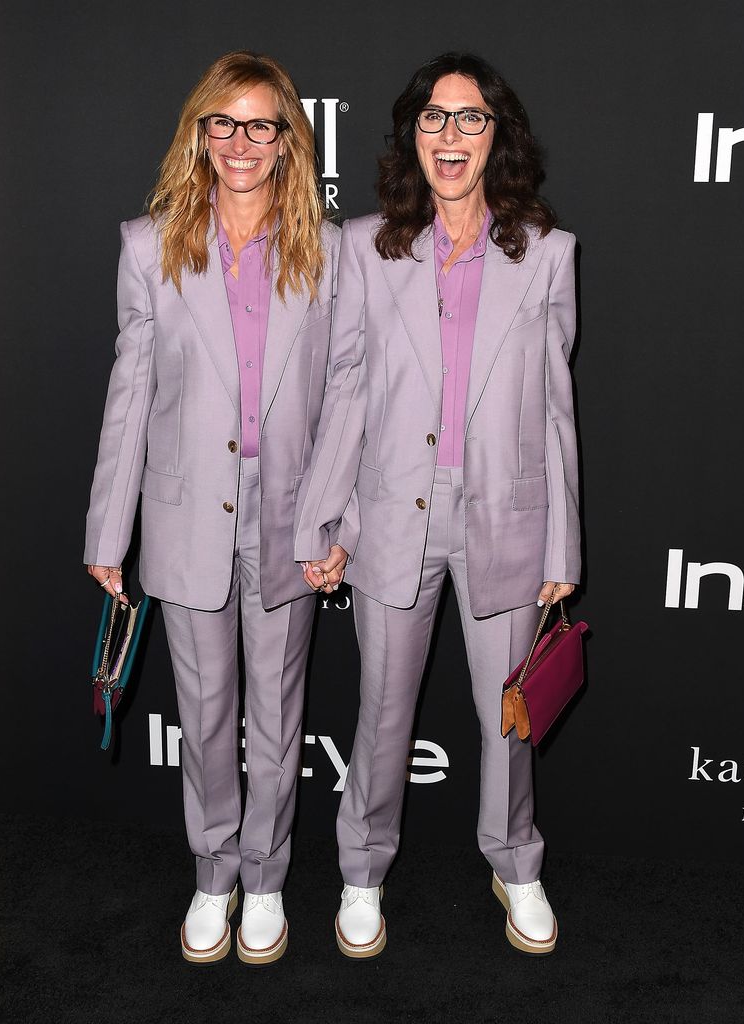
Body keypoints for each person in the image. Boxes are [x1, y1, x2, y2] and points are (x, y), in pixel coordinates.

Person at [295, 52, 580, 958]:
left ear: (498, 138)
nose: (448, 136)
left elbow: (553, 408)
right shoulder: (366, 247)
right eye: (432, 118)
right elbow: (346, 390)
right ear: (409, 135)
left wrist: (560, 550)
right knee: (380, 710)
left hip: (505, 513)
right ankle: (361, 869)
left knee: (508, 712)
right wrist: (324, 518)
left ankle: (514, 860)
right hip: (389, 512)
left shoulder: (546, 253)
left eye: (469, 119)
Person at [84, 51, 340, 965]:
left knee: (276, 715)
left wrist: (331, 521)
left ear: (286, 144)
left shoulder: (328, 249)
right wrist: (109, 530)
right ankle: (212, 874)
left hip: (288, 520)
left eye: (259, 125)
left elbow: (348, 395)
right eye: (222, 124)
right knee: (203, 714)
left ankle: (265, 880)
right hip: (188, 515)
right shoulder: (146, 246)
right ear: (200, 135)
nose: (240, 142)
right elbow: (130, 393)